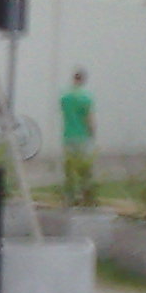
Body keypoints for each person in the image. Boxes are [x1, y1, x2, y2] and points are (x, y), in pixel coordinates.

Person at [58, 68, 97, 200]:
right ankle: (84, 192)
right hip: (82, 135)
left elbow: (64, 113)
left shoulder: (65, 97)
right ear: (83, 80)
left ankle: (69, 193)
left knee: (69, 166)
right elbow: (89, 118)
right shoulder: (86, 98)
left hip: (68, 135)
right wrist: (93, 132)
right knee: (84, 165)